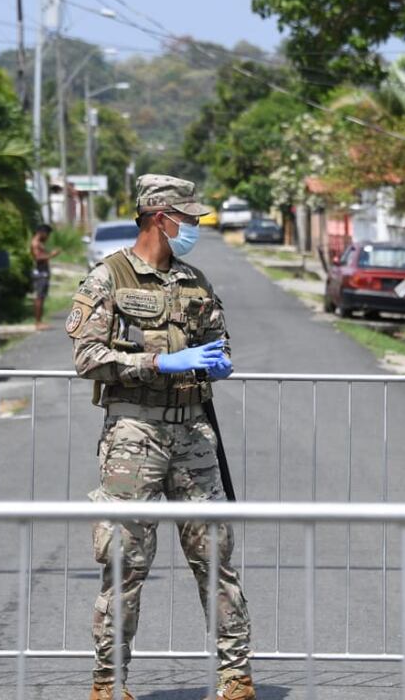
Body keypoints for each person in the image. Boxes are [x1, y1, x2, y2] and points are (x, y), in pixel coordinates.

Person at [67, 174, 255, 700]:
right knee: (125, 563)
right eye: (187, 218)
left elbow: (221, 342)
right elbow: (87, 357)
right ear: (159, 217)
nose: (193, 227)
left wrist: (216, 363)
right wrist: (159, 362)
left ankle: (235, 678)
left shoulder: (196, 281)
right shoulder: (107, 278)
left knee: (216, 558)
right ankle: (109, 683)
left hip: (194, 432)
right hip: (134, 434)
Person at [30, 224, 61, 330]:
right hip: (40, 274)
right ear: (42, 233)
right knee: (39, 297)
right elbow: (38, 258)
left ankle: (40, 321)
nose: (47, 238)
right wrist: (52, 255)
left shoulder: (39, 243)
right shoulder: (35, 243)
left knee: (42, 297)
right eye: (47, 235)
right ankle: (38, 322)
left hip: (43, 273)